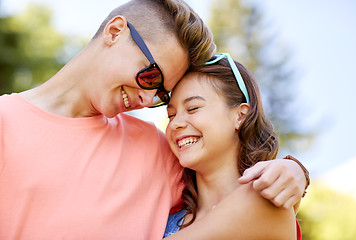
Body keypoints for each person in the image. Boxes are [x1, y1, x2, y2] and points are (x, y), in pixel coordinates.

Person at [0, 0, 308, 239]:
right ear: (115, 31)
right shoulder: (6, 123)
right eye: (151, 76)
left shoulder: (157, 148)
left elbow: (228, 174)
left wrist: (294, 170)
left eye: (160, 94)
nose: (148, 100)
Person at [163, 53, 303, 239]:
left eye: (193, 108)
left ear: (240, 116)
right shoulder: (165, 217)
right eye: (171, 115)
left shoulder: (265, 200)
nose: (175, 124)